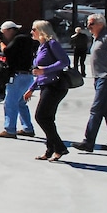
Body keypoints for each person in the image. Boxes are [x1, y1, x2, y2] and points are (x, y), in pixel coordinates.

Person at [71, 13, 107, 153]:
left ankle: (88, 142)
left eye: (91, 23)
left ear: (100, 24)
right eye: (88, 23)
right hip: (99, 78)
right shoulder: (96, 38)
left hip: (106, 78)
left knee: (96, 110)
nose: (88, 26)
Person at [24, 20, 71, 161]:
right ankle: (50, 151)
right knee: (48, 119)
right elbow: (38, 72)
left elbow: (65, 61)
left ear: (41, 30)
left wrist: (45, 70)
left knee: (41, 117)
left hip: (55, 86)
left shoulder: (52, 44)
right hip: (45, 85)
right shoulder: (41, 46)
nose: (31, 32)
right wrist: (31, 88)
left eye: (33, 29)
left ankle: (60, 148)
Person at [0, 20, 37, 139]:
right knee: (20, 103)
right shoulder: (26, 39)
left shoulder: (19, 39)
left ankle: (10, 129)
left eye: (4, 32)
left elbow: (7, 52)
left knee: (10, 103)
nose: (4, 35)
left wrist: (1, 43)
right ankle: (27, 128)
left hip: (18, 76)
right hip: (27, 75)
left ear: (10, 30)